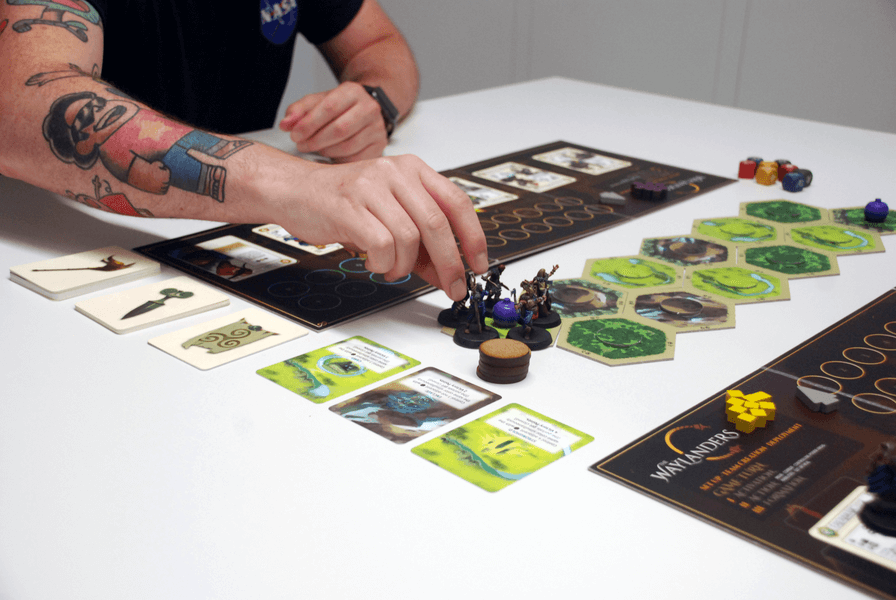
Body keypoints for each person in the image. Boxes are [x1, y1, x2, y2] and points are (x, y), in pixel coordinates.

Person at [0, 0, 488, 301]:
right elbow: (20, 107)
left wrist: (373, 100)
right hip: (46, 246)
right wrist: (297, 184)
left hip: (222, 237)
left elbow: (378, 44)